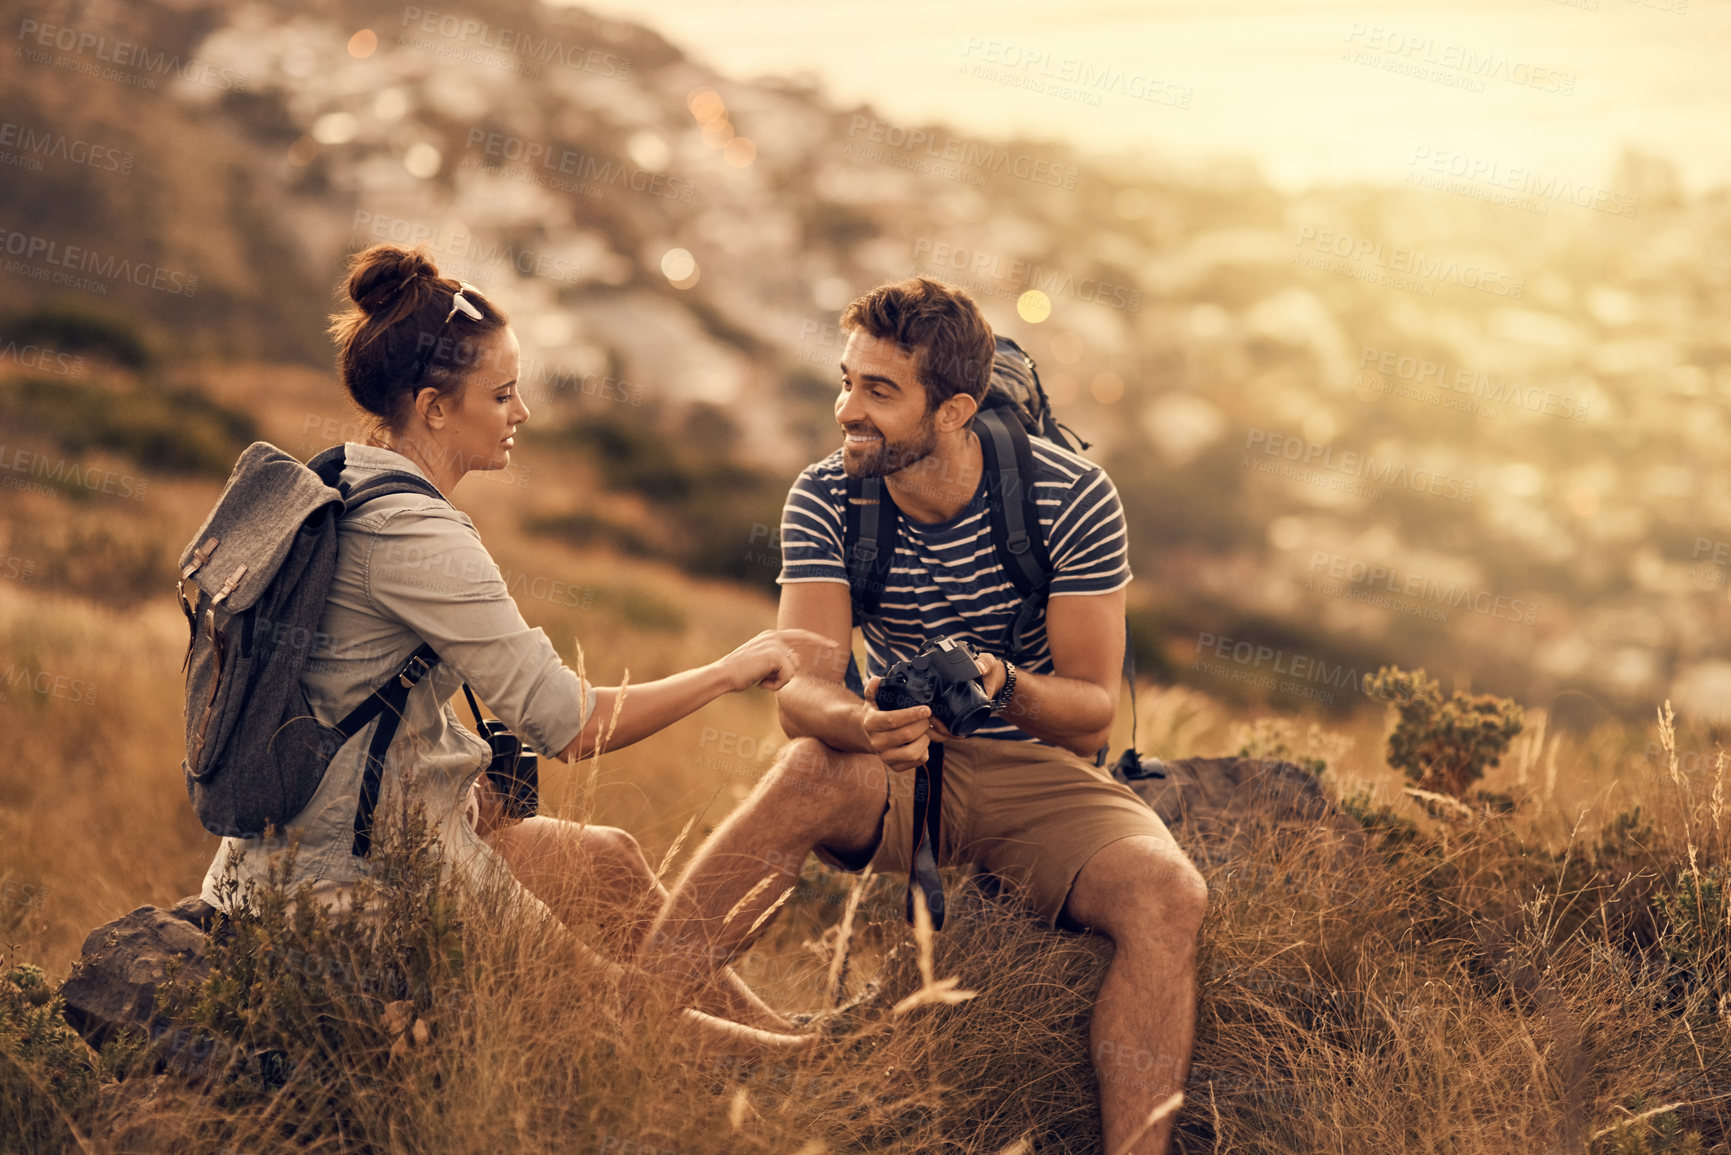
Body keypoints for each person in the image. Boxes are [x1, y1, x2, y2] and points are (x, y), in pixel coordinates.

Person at [641, 277, 1208, 1153]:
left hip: (1039, 767)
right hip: (895, 761)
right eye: (845, 380)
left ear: (954, 410)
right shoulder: (827, 496)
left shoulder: (1069, 496)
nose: (845, 411)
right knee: (803, 768)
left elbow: (1092, 714)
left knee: (1169, 894)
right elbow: (802, 686)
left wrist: (998, 681)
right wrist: (863, 727)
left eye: (877, 391)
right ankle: (626, 1023)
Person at [198, 243, 821, 1034]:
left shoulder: (343, 478)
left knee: (609, 860)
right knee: (613, 1007)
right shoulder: (421, 535)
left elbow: (355, 684)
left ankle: (787, 1032)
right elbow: (571, 726)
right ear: (432, 407)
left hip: (296, 845)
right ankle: (795, 1071)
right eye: (501, 395)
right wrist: (729, 669)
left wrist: (456, 774)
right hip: (349, 876)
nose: (520, 413)